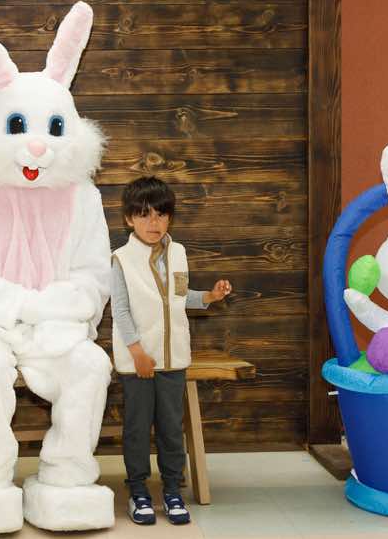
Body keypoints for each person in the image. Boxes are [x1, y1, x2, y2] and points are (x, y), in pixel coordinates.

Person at [111, 176, 231, 525]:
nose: (154, 223)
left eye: (161, 215)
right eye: (144, 215)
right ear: (129, 219)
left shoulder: (177, 253)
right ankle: (138, 491)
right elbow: (120, 311)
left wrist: (209, 296)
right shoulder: (121, 259)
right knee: (137, 429)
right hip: (138, 361)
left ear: (170, 218)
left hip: (173, 359)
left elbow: (180, 297)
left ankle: (172, 490)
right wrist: (137, 352)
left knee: (170, 429)